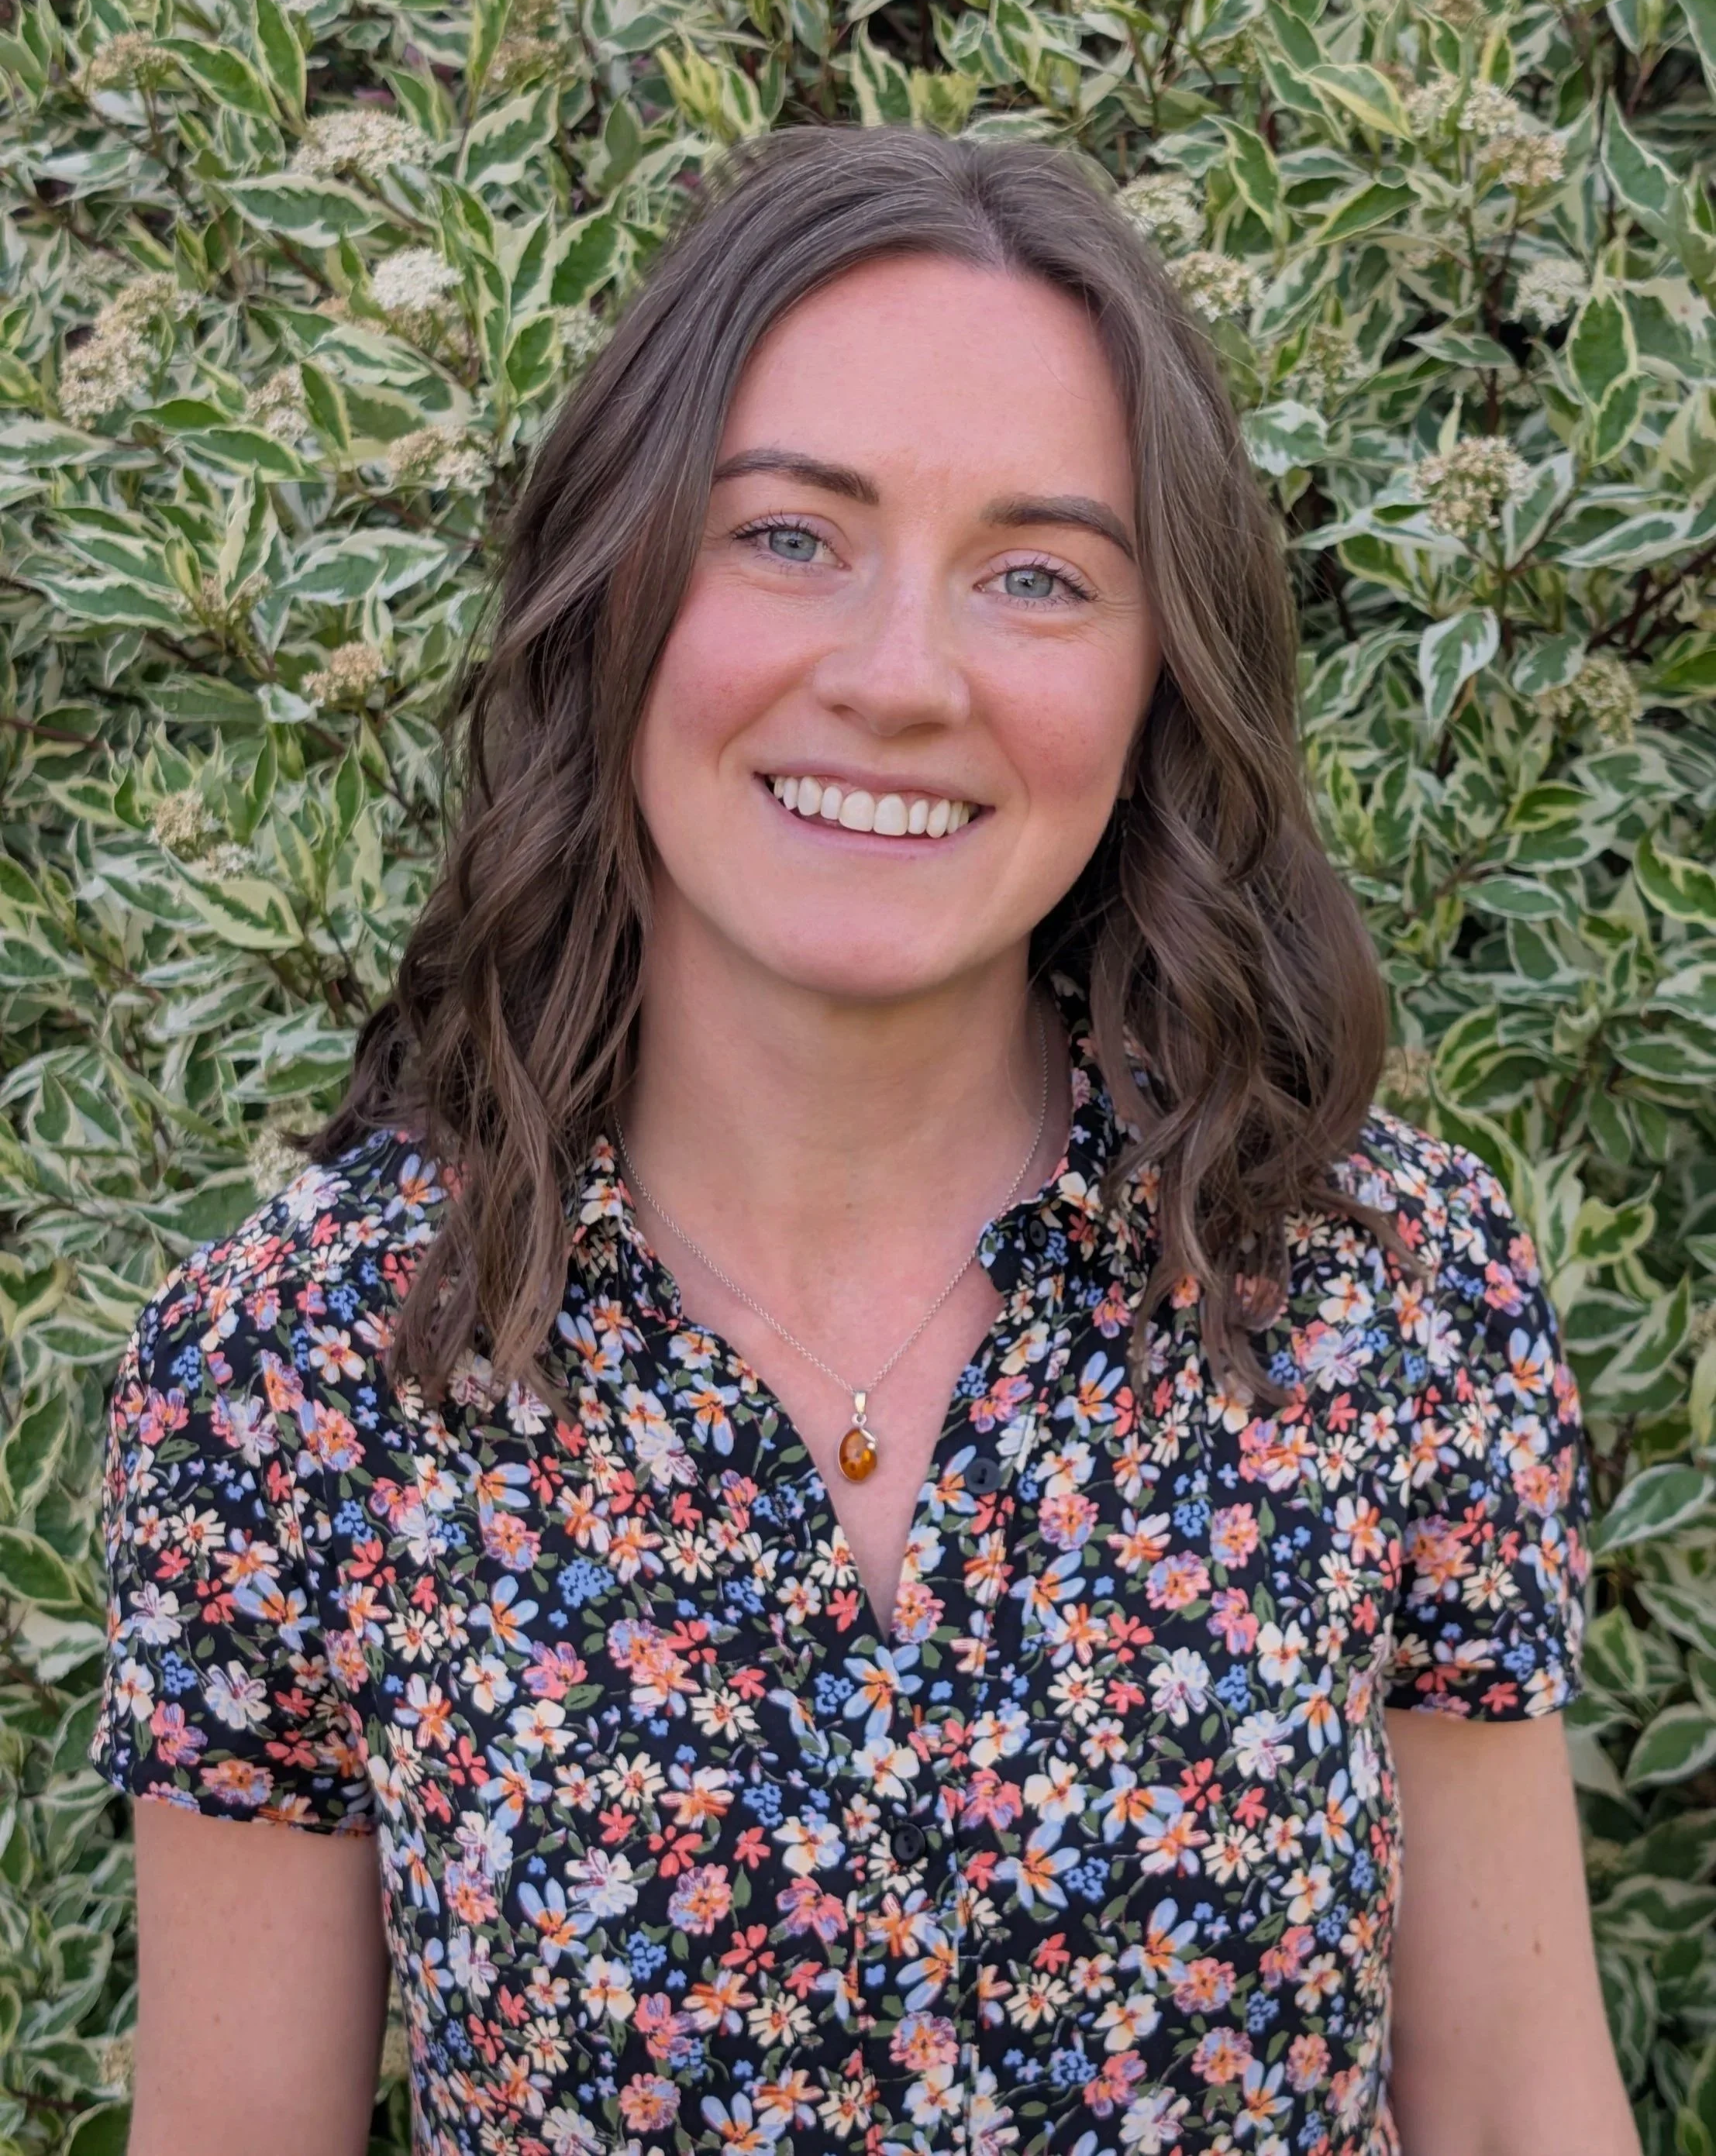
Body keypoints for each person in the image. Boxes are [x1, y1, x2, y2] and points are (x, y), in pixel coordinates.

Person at [92, 126, 1636, 2156]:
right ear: (619, 586)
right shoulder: (300, 1363)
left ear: (1155, 674)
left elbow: (1521, 2105)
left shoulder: (1376, 1300)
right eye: (789, 537)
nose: (900, 677)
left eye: (1034, 575)